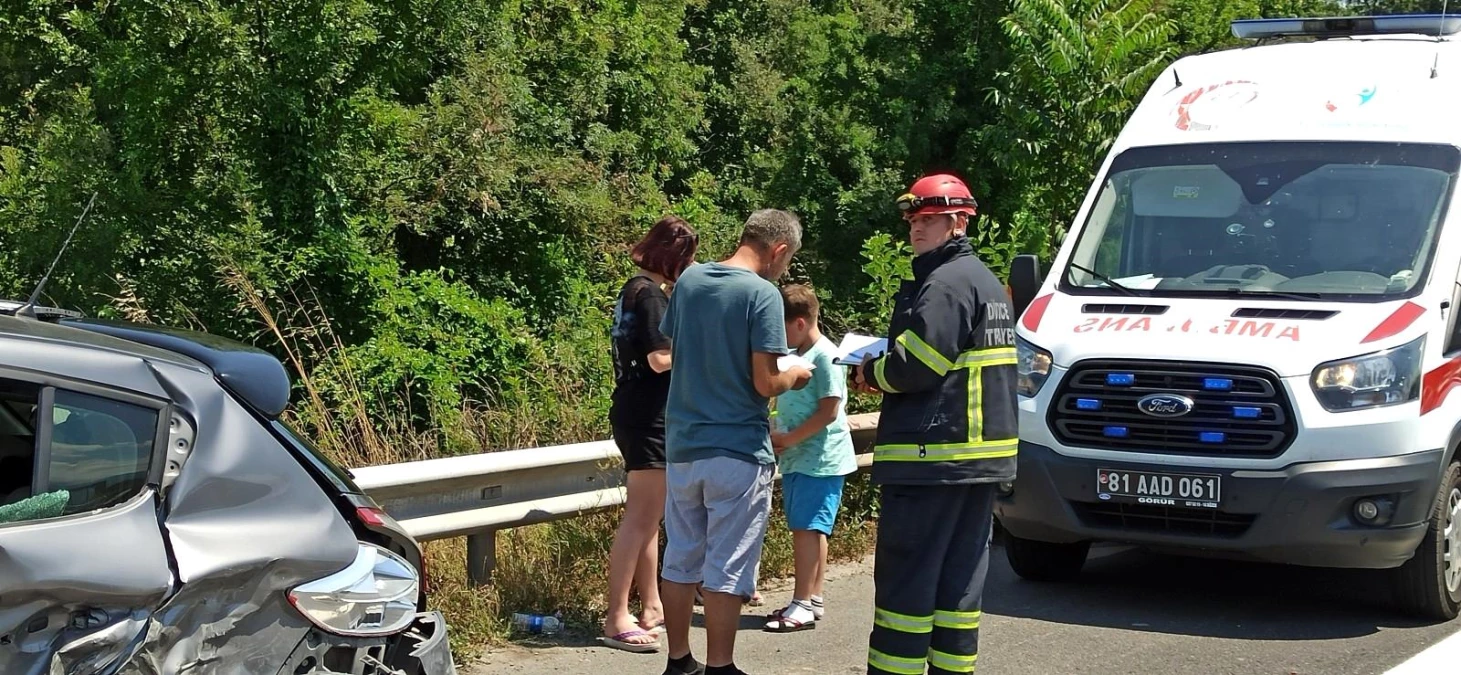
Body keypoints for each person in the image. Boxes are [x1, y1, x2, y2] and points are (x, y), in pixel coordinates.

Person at [851, 174, 1018, 675]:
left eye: (927, 219)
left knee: (908, 582)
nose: (915, 229)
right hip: (976, 463)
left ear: (958, 221)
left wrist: (869, 372)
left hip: (932, 458)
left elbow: (916, 367)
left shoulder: (943, 284)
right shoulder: (985, 280)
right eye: (912, 220)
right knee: (958, 586)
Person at [657, 209, 813, 675]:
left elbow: (677, 351)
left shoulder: (689, 282)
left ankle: (679, 660)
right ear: (778, 250)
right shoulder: (762, 294)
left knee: (681, 558)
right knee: (728, 563)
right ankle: (721, 666)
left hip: (683, 446)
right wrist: (796, 375)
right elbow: (765, 382)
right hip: (738, 450)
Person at [600, 215, 699, 653]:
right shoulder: (653, 297)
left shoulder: (630, 290)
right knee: (640, 519)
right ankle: (616, 615)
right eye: (687, 258)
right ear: (672, 257)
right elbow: (661, 359)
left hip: (631, 409)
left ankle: (652, 605)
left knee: (648, 518)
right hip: (650, 416)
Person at [763, 284, 857, 633]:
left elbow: (830, 410)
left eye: (782, 326)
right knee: (814, 527)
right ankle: (813, 597)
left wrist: (789, 438)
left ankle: (801, 602)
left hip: (818, 458)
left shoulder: (824, 355)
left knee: (805, 529)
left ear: (800, 323)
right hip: (807, 458)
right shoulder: (800, 352)